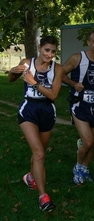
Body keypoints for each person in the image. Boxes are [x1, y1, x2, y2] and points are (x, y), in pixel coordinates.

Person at [8, 36, 62, 211]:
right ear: (39, 48)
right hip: (29, 110)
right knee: (38, 154)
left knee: (39, 153)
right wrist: (13, 70)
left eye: (53, 51)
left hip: (47, 112)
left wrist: (34, 83)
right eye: (47, 50)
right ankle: (43, 197)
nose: (50, 54)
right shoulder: (27, 63)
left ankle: (31, 177)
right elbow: (10, 79)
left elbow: (53, 95)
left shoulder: (57, 69)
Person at [62, 29, 94, 184]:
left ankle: (85, 168)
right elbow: (60, 73)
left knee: (93, 142)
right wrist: (73, 83)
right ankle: (77, 167)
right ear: (88, 42)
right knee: (88, 142)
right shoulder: (77, 58)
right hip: (79, 104)